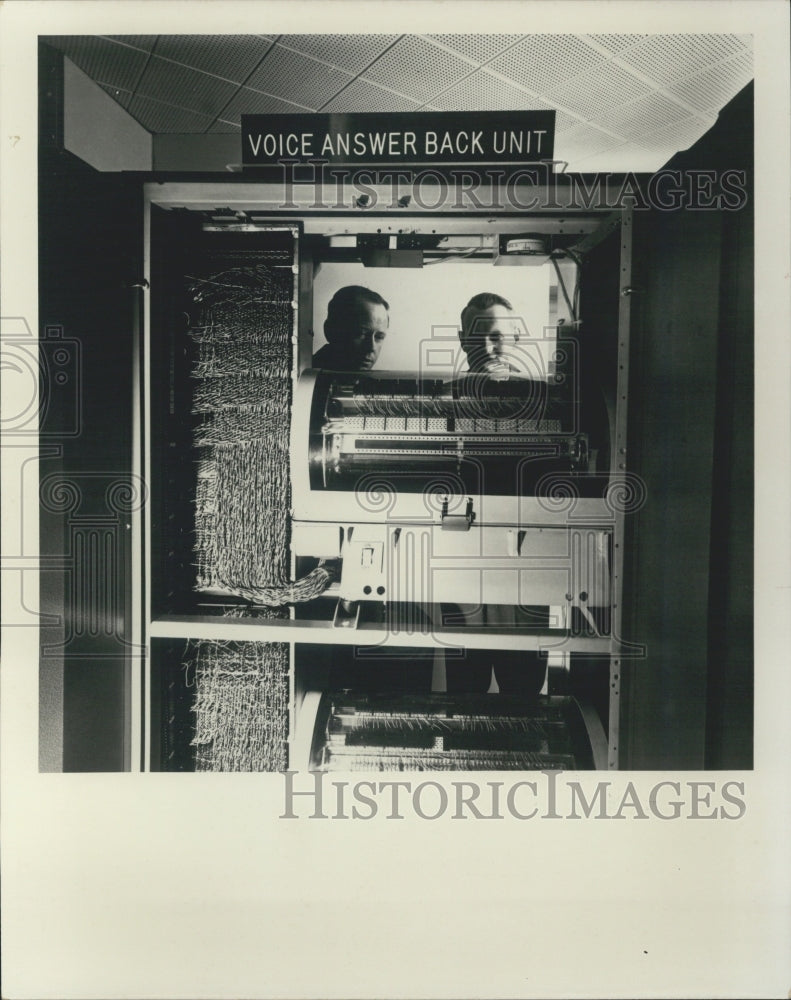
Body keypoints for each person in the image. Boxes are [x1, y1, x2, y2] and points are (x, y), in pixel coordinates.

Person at [445, 292, 549, 697]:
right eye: (479, 336)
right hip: (458, 557)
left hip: (524, 561)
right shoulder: (439, 398)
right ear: (461, 340)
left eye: (500, 336)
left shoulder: (544, 401)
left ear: (517, 338)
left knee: (523, 685)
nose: (490, 347)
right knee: (464, 686)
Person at [312, 285, 389, 371]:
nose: (371, 347)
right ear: (330, 331)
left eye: (379, 337)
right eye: (360, 334)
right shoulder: (303, 378)